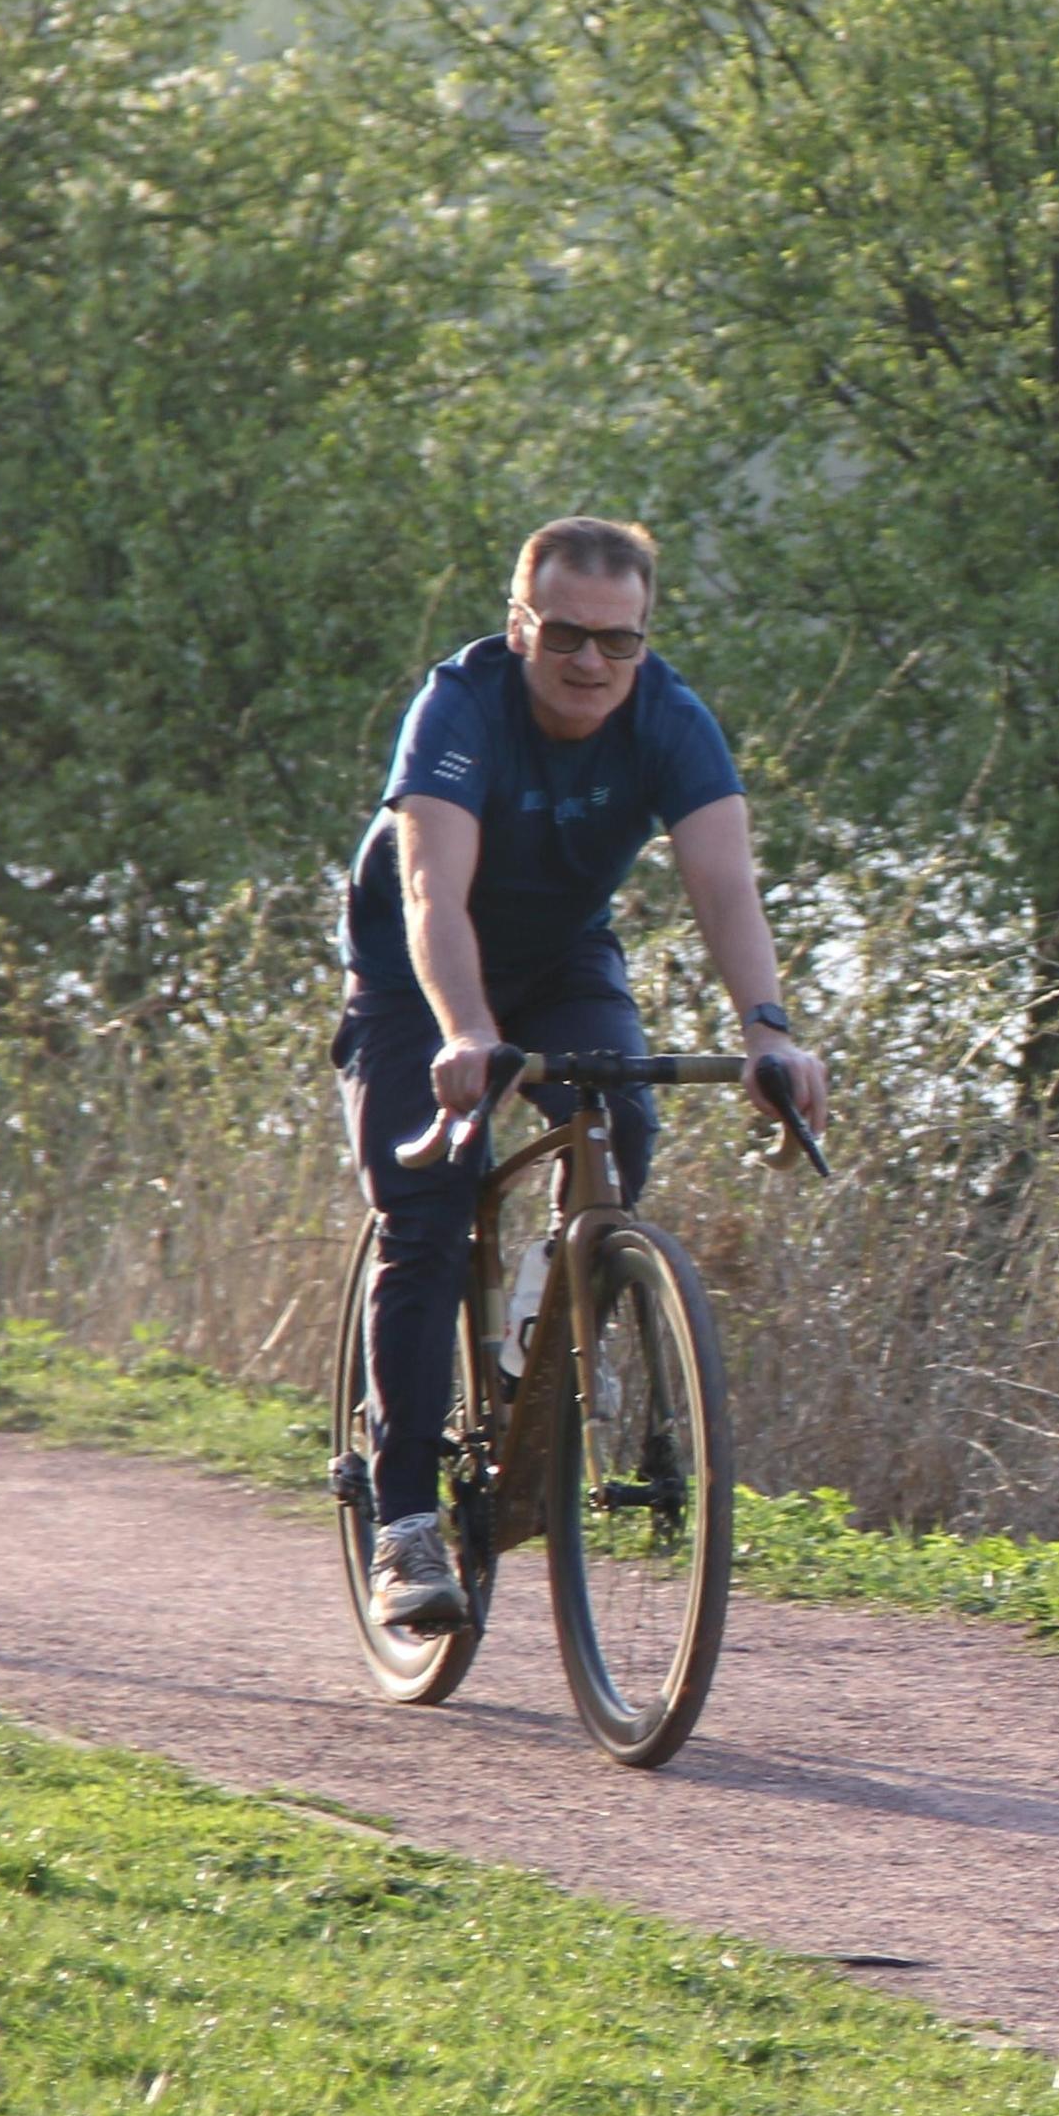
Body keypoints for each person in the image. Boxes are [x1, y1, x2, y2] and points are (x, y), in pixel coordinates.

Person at [337, 517, 828, 1629]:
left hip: (561, 959)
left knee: (626, 1123)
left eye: (619, 641)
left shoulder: (668, 719)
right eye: (564, 636)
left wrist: (769, 1034)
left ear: (645, 639)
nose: (592, 663)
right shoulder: (459, 712)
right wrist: (465, 1034)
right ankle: (405, 1519)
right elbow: (431, 900)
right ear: (521, 628)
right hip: (420, 975)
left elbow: (726, 887)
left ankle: (534, 1327)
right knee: (428, 1209)